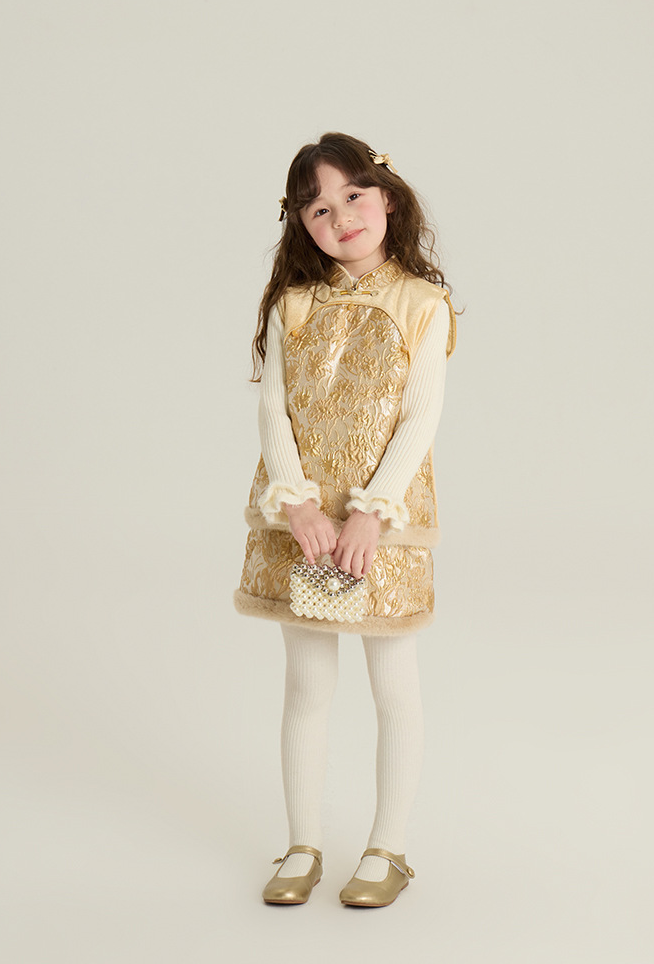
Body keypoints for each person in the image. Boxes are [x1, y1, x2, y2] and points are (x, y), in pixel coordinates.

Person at [234, 132, 456, 907]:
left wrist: (371, 516)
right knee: (307, 683)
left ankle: (387, 848)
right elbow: (274, 411)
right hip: (303, 523)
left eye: (353, 196)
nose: (341, 217)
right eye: (319, 208)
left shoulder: (423, 304)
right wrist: (297, 504)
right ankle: (302, 843)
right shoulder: (291, 306)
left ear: (386, 197)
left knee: (392, 683)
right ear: (302, 223)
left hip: (381, 524)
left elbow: (419, 419)